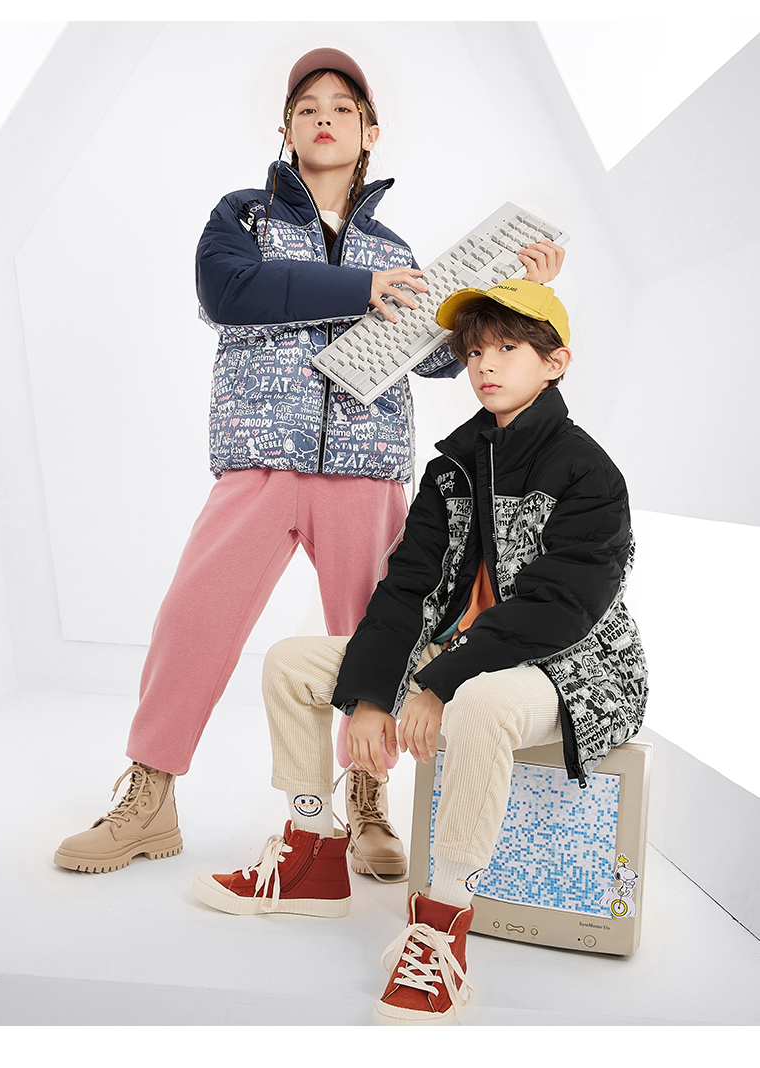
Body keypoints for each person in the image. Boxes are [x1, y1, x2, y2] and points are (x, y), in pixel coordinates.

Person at [53, 47, 565, 878]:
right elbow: (227, 293)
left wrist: (523, 290)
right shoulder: (244, 218)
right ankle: (150, 797)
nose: (324, 115)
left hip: (366, 468)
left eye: (343, 106)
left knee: (378, 635)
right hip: (261, 459)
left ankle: (366, 799)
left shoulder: (394, 247)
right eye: (307, 106)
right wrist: (362, 290)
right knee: (193, 620)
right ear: (287, 130)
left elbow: (444, 357)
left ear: (370, 131)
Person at [190, 278, 648, 1026]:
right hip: (456, 655)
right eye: (475, 351)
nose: (485, 365)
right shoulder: (452, 468)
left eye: (508, 348)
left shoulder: (588, 472)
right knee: (292, 663)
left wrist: (436, 684)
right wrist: (375, 695)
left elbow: (560, 607)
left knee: (484, 699)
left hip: (573, 668)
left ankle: (442, 922)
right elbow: (406, 586)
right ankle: (312, 854)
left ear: (555, 362)